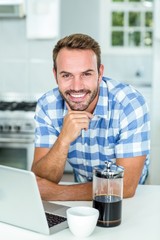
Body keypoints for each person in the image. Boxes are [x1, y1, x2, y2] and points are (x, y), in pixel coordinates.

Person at [31, 33, 150, 201]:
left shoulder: (130, 104)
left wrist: (57, 192)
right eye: (66, 75)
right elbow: (41, 180)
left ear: (100, 73)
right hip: (79, 196)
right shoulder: (47, 105)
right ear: (55, 75)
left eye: (86, 74)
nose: (77, 86)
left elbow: (126, 186)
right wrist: (63, 140)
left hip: (131, 199)